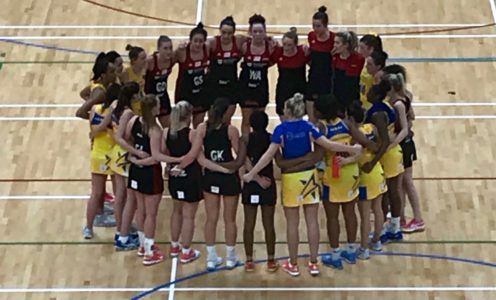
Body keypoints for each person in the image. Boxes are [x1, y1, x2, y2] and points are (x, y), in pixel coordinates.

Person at [243, 93, 362, 277]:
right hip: (310, 177)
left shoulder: (281, 130)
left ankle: (293, 263)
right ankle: (314, 263)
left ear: (288, 111)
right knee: (312, 222)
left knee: (292, 223)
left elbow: (268, 155)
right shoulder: (309, 127)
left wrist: (251, 173)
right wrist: (351, 149)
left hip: (291, 179)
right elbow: (329, 145)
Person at [126, 95, 181, 265]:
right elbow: (156, 157)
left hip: (135, 171)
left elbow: (129, 140)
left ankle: (143, 246)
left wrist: (133, 157)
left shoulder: (133, 121)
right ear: (153, 109)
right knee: (150, 213)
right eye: (158, 106)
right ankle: (149, 252)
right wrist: (178, 159)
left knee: (141, 210)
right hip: (150, 173)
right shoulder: (154, 130)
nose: (160, 108)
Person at [314, 94, 362, 269]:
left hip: (332, 173)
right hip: (350, 172)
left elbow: (318, 156)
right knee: (350, 213)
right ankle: (350, 250)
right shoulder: (347, 124)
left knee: (332, 216)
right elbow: (359, 145)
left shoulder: (321, 128)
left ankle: (334, 254)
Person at [195, 98, 243, 271]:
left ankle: (211, 258)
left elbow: (200, 157)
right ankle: (231, 258)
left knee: (211, 218)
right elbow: (239, 156)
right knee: (230, 219)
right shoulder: (231, 130)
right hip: (228, 176)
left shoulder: (201, 129)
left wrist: (215, 168)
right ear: (225, 113)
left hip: (210, 176)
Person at [154, 101, 203, 263]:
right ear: (189, 116)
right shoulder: (193, 134)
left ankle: (174, 246)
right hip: (190, 176)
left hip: (175, 178)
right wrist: (181, 166)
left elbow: (163, 152)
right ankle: (186, 251)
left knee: (176, 211)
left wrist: (171, 165)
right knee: (189, 216)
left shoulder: (167, 132)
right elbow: (193, 155)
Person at [364, 82, 405, 243]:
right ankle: (394, 227)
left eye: (370, 90)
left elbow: (385, 140)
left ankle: (382, 231)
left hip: (386, 154)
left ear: (376, 94)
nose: (367, 93)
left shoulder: (378, 113)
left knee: (386, 194)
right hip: (393, 153)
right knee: (393, 191)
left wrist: (373, 162)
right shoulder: (387, 106)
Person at [346, 101, 387, 259]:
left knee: (364, 216)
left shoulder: (354, 136)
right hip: (378, 171)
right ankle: (376, 241)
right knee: (377, 209)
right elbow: (380, 145)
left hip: (365, 175)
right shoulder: (372, 128)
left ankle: (364, 248)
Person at [241, 111, 277, 272]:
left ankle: (249, 260)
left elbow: (244, 160)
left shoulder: (245, 139)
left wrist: (255, 178)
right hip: (268, 183)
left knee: (249, 223)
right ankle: (271, 259)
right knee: (268, 223)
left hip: (251, 184)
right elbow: (276, 159)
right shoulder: (271, 139)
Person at [238, 14, 275, 135]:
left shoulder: (270, 47)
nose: (258, 34)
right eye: (255, 31)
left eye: (260, 31)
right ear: (250, 32)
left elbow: (275, 60)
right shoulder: (244, 46)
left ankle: (257, 146)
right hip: (246, 89)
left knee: (259, 122)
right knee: (247, 121)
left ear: (265, 32)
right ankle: (246, 150)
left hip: (261, 89)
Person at [207, 16, 245, 123]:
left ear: (233, 32)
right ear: (220, 31)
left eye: (229, 33)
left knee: (226, 121)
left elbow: (257, 40)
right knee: (212, 120)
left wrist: (269, 39)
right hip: (214, 86)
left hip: (231, 86)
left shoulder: (238, 41)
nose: (226, 36)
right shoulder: (213, 43)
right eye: (223, 32)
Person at [175, 23, 210, 128]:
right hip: (184, 93)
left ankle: (198, 144)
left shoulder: (207, 49)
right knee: (183, 126)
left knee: (199, 125)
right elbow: (167, 61)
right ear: (190, 40)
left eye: (201, 41)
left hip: (200, 93)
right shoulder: (182, 52)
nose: (198, 44)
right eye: (195, 41)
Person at [273, 27, 309, 121]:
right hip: (283, 90)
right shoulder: (278, 52)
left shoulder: (302, 52)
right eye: (284, 44)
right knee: (284, 121)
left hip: (299, 91)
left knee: (297, 120)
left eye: (289, 45)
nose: (286, 47)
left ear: (296, 44)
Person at [307, 6, 335, 123]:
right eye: (313, 26)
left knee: (325, 113)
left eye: (318, 26)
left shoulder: (334, 38)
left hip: (328, 79)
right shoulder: (311, 36)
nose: (315, 29)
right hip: (313, 77)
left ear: (326, 25)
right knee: (312, 115)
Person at [145, 35, 176, 127]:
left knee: (169, 128)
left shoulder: (172, 59)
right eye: (165, 48)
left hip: (162, 97)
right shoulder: (150, 61)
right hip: (149, 99)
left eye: (170, 48)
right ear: (158, 49)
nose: (169, 51)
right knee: (149, 128)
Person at [332, 31, 365, 111]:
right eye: (334, 42)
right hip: (337, 98)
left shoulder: (359, 59)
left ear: (346, 45)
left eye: (337, 43)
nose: (334, 45)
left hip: (352, 98)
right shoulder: (334, 57)